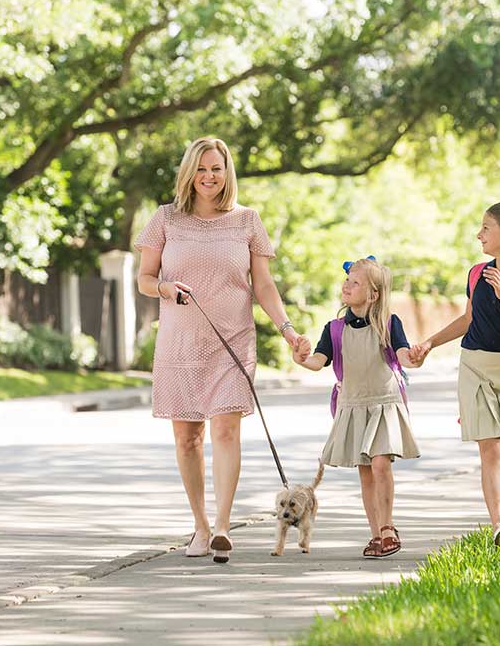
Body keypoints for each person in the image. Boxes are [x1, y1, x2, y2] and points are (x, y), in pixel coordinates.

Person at [134, 137, 310, 564]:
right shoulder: (165, 219)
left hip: (233, 339)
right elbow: (143, 277)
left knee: (226, 430)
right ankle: (200, 525)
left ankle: (224, 527)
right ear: (189, 174)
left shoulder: (247, 220)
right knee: (187, 437)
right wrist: (164, 287)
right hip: (180, 342)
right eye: (201, 169)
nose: (209, 177)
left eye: (217, 168)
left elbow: (263, 285)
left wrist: (287, 330)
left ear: (227, 171)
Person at [412, 201, 500, 547]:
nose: (479, 235)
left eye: (485, 228)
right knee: (491, 448)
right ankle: (498, 523)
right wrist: (430, 342)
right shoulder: (476, 274)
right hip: (475, 365)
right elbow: (470, 319)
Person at [292, 257, 423, 558]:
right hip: (353, 406)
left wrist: (414, 357)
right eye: (347, 280)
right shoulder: (335, 329)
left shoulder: (389, 323)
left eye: (355, 282)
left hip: (383, 405)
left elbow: (402, 355)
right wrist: (301, 358)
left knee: (380, 464)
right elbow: (318, 361)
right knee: (365, 472)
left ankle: (388, 526)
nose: (346, 285)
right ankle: (376, 533)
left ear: (374, 294)